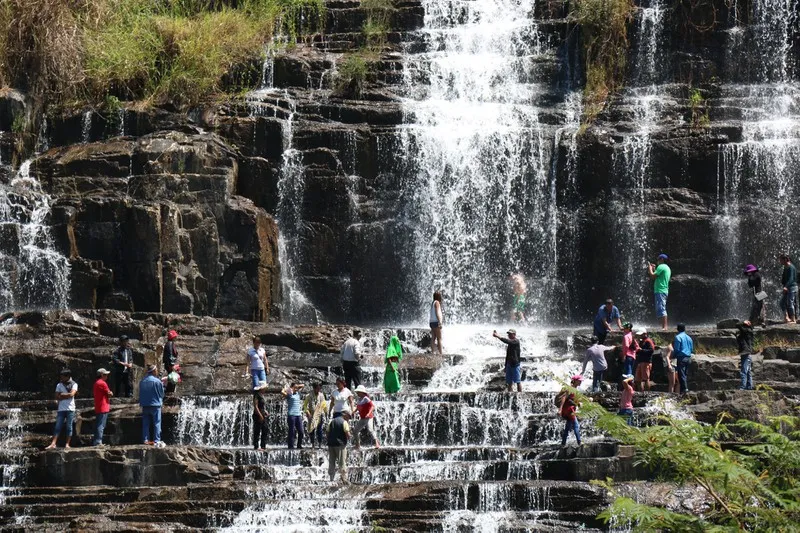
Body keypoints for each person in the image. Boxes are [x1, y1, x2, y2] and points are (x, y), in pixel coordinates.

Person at [45, 369, 78, 449]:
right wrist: (66, 395)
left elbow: (72, 394)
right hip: (61, 409)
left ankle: (67, 444)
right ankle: (53, 443)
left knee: (69, 426)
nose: (61, 378)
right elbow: (56, 396)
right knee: (58, 426)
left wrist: (62, 395)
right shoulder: (59, 385)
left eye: (62, 376)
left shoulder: (74, 384)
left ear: (67, 376)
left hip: (70, 408)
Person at [139, 364, 165, 447]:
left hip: (145, 405)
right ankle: (156, 440)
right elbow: (162, 393)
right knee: (157, 423)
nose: (157, 371)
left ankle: (145, 440)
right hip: (155, 405)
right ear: (153, 371)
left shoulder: (142, 381)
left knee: (145, 423)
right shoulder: (157, 381)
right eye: (156, 370)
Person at [665, 323, 694, 394]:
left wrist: (673, 356)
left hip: (681, 358)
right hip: (688, 357)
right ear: (684, 329)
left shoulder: (678, 337)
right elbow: (691, 349)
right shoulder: (689, 338)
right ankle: (685, 389)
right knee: (685, 374)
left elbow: (677, 349)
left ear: (677, 329)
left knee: (681, 375)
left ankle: (684, 390)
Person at [648, 253, 672, 331]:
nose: (657, 261)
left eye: (658, 259)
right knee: (660, 307)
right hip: (663, 290)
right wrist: (655, 269)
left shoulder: (661, 266)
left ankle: (665, 327)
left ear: (661, 259)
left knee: (662, 308)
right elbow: (658, 276)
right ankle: (663, 326)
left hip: (660, 290)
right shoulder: (667, 268)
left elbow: (652, 276)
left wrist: (650, 268)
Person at [557, 375, 583, 447]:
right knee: (576, 426)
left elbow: (573, 400)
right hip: (569, 410)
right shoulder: (570, 388)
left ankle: (563, 443)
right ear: (575, 381)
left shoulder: (574, 389)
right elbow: (564, 398)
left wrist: (578, 403)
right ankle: (579, 442)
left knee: (567, 427)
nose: (581, 382)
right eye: (579, 381)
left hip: (570, 410)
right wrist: (560, 409)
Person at [327, 410, 351, 483]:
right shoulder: (344, 422)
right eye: (348, 417)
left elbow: (327, 433)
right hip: (340, 445)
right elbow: (348, 434)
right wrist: (349, 438)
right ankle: (344, 479)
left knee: (331, 462)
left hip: (331, 445)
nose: (348, 419)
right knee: (342, 462)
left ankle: (331, 479)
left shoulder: (331, 421)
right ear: (345, 415)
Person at [353, 385, 380, 450]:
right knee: (355, 431)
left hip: (368, 418)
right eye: (357, 392)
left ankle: (377, 443)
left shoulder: (366, 398)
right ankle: (358, 444)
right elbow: (358, 407)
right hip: (362, 418)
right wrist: (354, 411)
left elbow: (372, 406)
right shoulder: (359, 399)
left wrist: (368, 413)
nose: (357, 393)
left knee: (370, 430)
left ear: (362, 392)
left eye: (358, 392)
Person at [93, 368, 113, 446]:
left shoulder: (96, 383)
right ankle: (98, 441)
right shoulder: (102, 383)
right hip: (103, 406)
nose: (107, 376)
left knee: (99, 424)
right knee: (101, 425)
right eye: (105, 375)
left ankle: (96, 441)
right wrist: (111, 393)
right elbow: (109, 394)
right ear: (102, 375)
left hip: (99, 406)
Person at [303, 383, 327, 449]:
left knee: (319, 430)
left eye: (319, 389)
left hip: (319, 414)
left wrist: (326, 412)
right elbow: (305, 405)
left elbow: (324, 404)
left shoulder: (321, 395)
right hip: (311, 415)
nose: (318, 390)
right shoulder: (308, 395)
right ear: (314, 388)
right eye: (317, 389)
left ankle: (319, 444)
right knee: (312, 430)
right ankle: (313, 444)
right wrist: (307, 412)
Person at [282, 382, 305, 449]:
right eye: (294, 388)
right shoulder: (289, 395)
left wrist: (296, 386)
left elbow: (303, 385)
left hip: (298, 415)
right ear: (292, 388)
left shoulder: (298, 393)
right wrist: (289, 389)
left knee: (301, 431)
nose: (296, 389)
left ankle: (299, 445)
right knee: (291, 431)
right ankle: (291, 446)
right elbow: (282, 391)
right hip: (291, 415)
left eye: (297, 388)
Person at [736, 320, 755, 390]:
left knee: (743, 371)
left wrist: (743, 322)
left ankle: (742, 387)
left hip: (745, 353)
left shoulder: (746, 331)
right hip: (747, 353)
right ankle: (749, 386)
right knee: (748, 371)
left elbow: (737, 325)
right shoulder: (749, 332)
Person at [780, 255, 797, 324]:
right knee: (781, 303)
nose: (780, 261)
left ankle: (793, 319)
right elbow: (784, 278)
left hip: (792, 287)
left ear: (785, 259)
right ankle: (786, 317)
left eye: (781, 260)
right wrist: (783, 284)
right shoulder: (785, 267)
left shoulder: (791, 267)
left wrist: (786, 286)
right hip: (787, 287)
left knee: (790, 303)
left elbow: (791, 279)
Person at [163, 330, 180, 395]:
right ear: (173, 337)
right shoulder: (170, 344)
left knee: (172, 378)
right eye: (175, 336)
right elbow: (170, 355)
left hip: (169, 364)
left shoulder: (169, 343)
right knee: (172, 378)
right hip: (170, 364)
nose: (176, 337)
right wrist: (172, 365)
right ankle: (169, 393)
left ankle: (169, 392)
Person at [252, 384, 268, 450]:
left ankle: (263, 446)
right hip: (257, 415)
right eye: (265, 387)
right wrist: (260, 415)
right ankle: (256, 446)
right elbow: (256, 406)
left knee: (265, 430)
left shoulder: (262, 395)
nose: (266, 388)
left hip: (263, 414)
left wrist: (265, 411)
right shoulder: (256, 395)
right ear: (261, 388)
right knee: (257, 430)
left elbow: (262, 406)